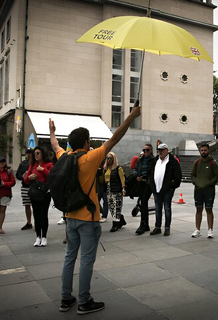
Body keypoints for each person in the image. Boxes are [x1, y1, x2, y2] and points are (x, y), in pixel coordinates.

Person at [51, 102, 140, 315]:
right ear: (86, 142)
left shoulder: (65, 157)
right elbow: (115, 137)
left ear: (70, 144)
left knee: (69, 257)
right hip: (88, 218)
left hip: (70, 216)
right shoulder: (90, 158)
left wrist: (52, 133)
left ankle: (66, 299)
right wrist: (131, 116)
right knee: (86, 261)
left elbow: (55, 146)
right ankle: (84, 301)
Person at [148, 143, 182, 236]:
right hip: (157, 189)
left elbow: (178, 176)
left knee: (167, 208)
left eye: (162, 150)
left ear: (167, 150)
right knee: (158, 208)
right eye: (159, 150)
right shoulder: (156, 160)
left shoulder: (172, 161)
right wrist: (151, 185)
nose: (160, 152)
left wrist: (172, 185)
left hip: (167, 189)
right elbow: (150, 173)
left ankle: (167, 228)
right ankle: (157, 227)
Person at [24, 146, 53, 247]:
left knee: (43, 215)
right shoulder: (32, 165)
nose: (35, 155)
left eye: (38, 153)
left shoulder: (49, 164)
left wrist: (43, 169)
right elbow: (26, 180)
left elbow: (52, 177)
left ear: (43, 154)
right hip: (34, 193)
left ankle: (44, 236)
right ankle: (38, 237)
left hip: (45, 193)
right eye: (34, 154)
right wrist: (30, 177)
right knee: (36, 215)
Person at [191, 144, 218, 239]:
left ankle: (210, 230)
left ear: (208, 150)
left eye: (205, 150)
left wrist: (209, 184)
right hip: (198, 190)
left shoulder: (213, 163)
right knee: (198, 209)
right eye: (202, 150)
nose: (203, 152)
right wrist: (196, 182)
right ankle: (197, 229)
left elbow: (217, 176)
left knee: (209, 209)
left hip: (209, 190)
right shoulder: (197, 162)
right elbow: (193, 175)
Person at [101, 152, 127, 232]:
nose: (109, 160)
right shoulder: (105, 169)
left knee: (117, 207)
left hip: (117, 190)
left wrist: (123, 188)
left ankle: (115, 224)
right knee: (112, 207)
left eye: (110, 158)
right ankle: (120, 220)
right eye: (107, 158)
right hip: (108, 190)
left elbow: (122, 178)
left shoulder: (118, 168)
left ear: (114, 159)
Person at [134, 144, 154, 235]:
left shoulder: (153, 160)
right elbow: (135, 169)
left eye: (147, 150)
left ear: (151, 151)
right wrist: (137, 176)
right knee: (143, 202)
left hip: (148, 183)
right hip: (140, 182)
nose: (145, 152)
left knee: (144, 201)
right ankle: (145, 224)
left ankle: (143, 224)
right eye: (144, 150)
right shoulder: (140, 160)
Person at [0, 157, 16, 234]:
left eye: (3, 162)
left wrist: (5, 184)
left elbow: (13, 182)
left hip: (5, 193)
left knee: (2, 211)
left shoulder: (8, 172)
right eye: (0, 162)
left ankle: (0, 227)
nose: (2, 163)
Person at [15, 148, 34, 230]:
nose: (29, 154)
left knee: (36, 205)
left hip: (34, 187)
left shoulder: (35, 163)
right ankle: (29, 222)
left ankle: (37, 223)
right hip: (25, 187)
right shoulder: (23, 163)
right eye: (27, 153)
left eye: (30, 153)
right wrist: (22, 176)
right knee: (27, 205)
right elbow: (17, 175)